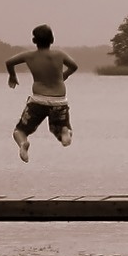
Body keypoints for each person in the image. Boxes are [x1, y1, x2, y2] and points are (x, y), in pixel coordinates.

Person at [5, 24, 78, 163]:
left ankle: (23, 144)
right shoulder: (60, 54)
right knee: (63, 135)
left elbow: (9, 62)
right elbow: (74, 66)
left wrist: (12, 76)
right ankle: (64, 131)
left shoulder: (28, 56)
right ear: (52, 39)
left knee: (19, 131)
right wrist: (65, 75)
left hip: (38, 100)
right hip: (59, 101)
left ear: (34, 41)